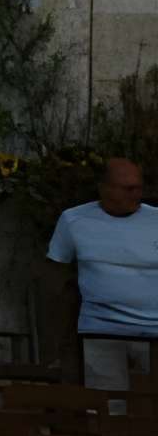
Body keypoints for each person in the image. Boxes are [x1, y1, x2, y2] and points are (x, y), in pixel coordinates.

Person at [47, 155, 158, 390]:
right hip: (100, 331)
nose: (136, 194)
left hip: (154, 331)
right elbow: (56, 274)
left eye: (139, 187)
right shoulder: (73, 220)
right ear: (103, 188)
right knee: (107, 407)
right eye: (127, 188)